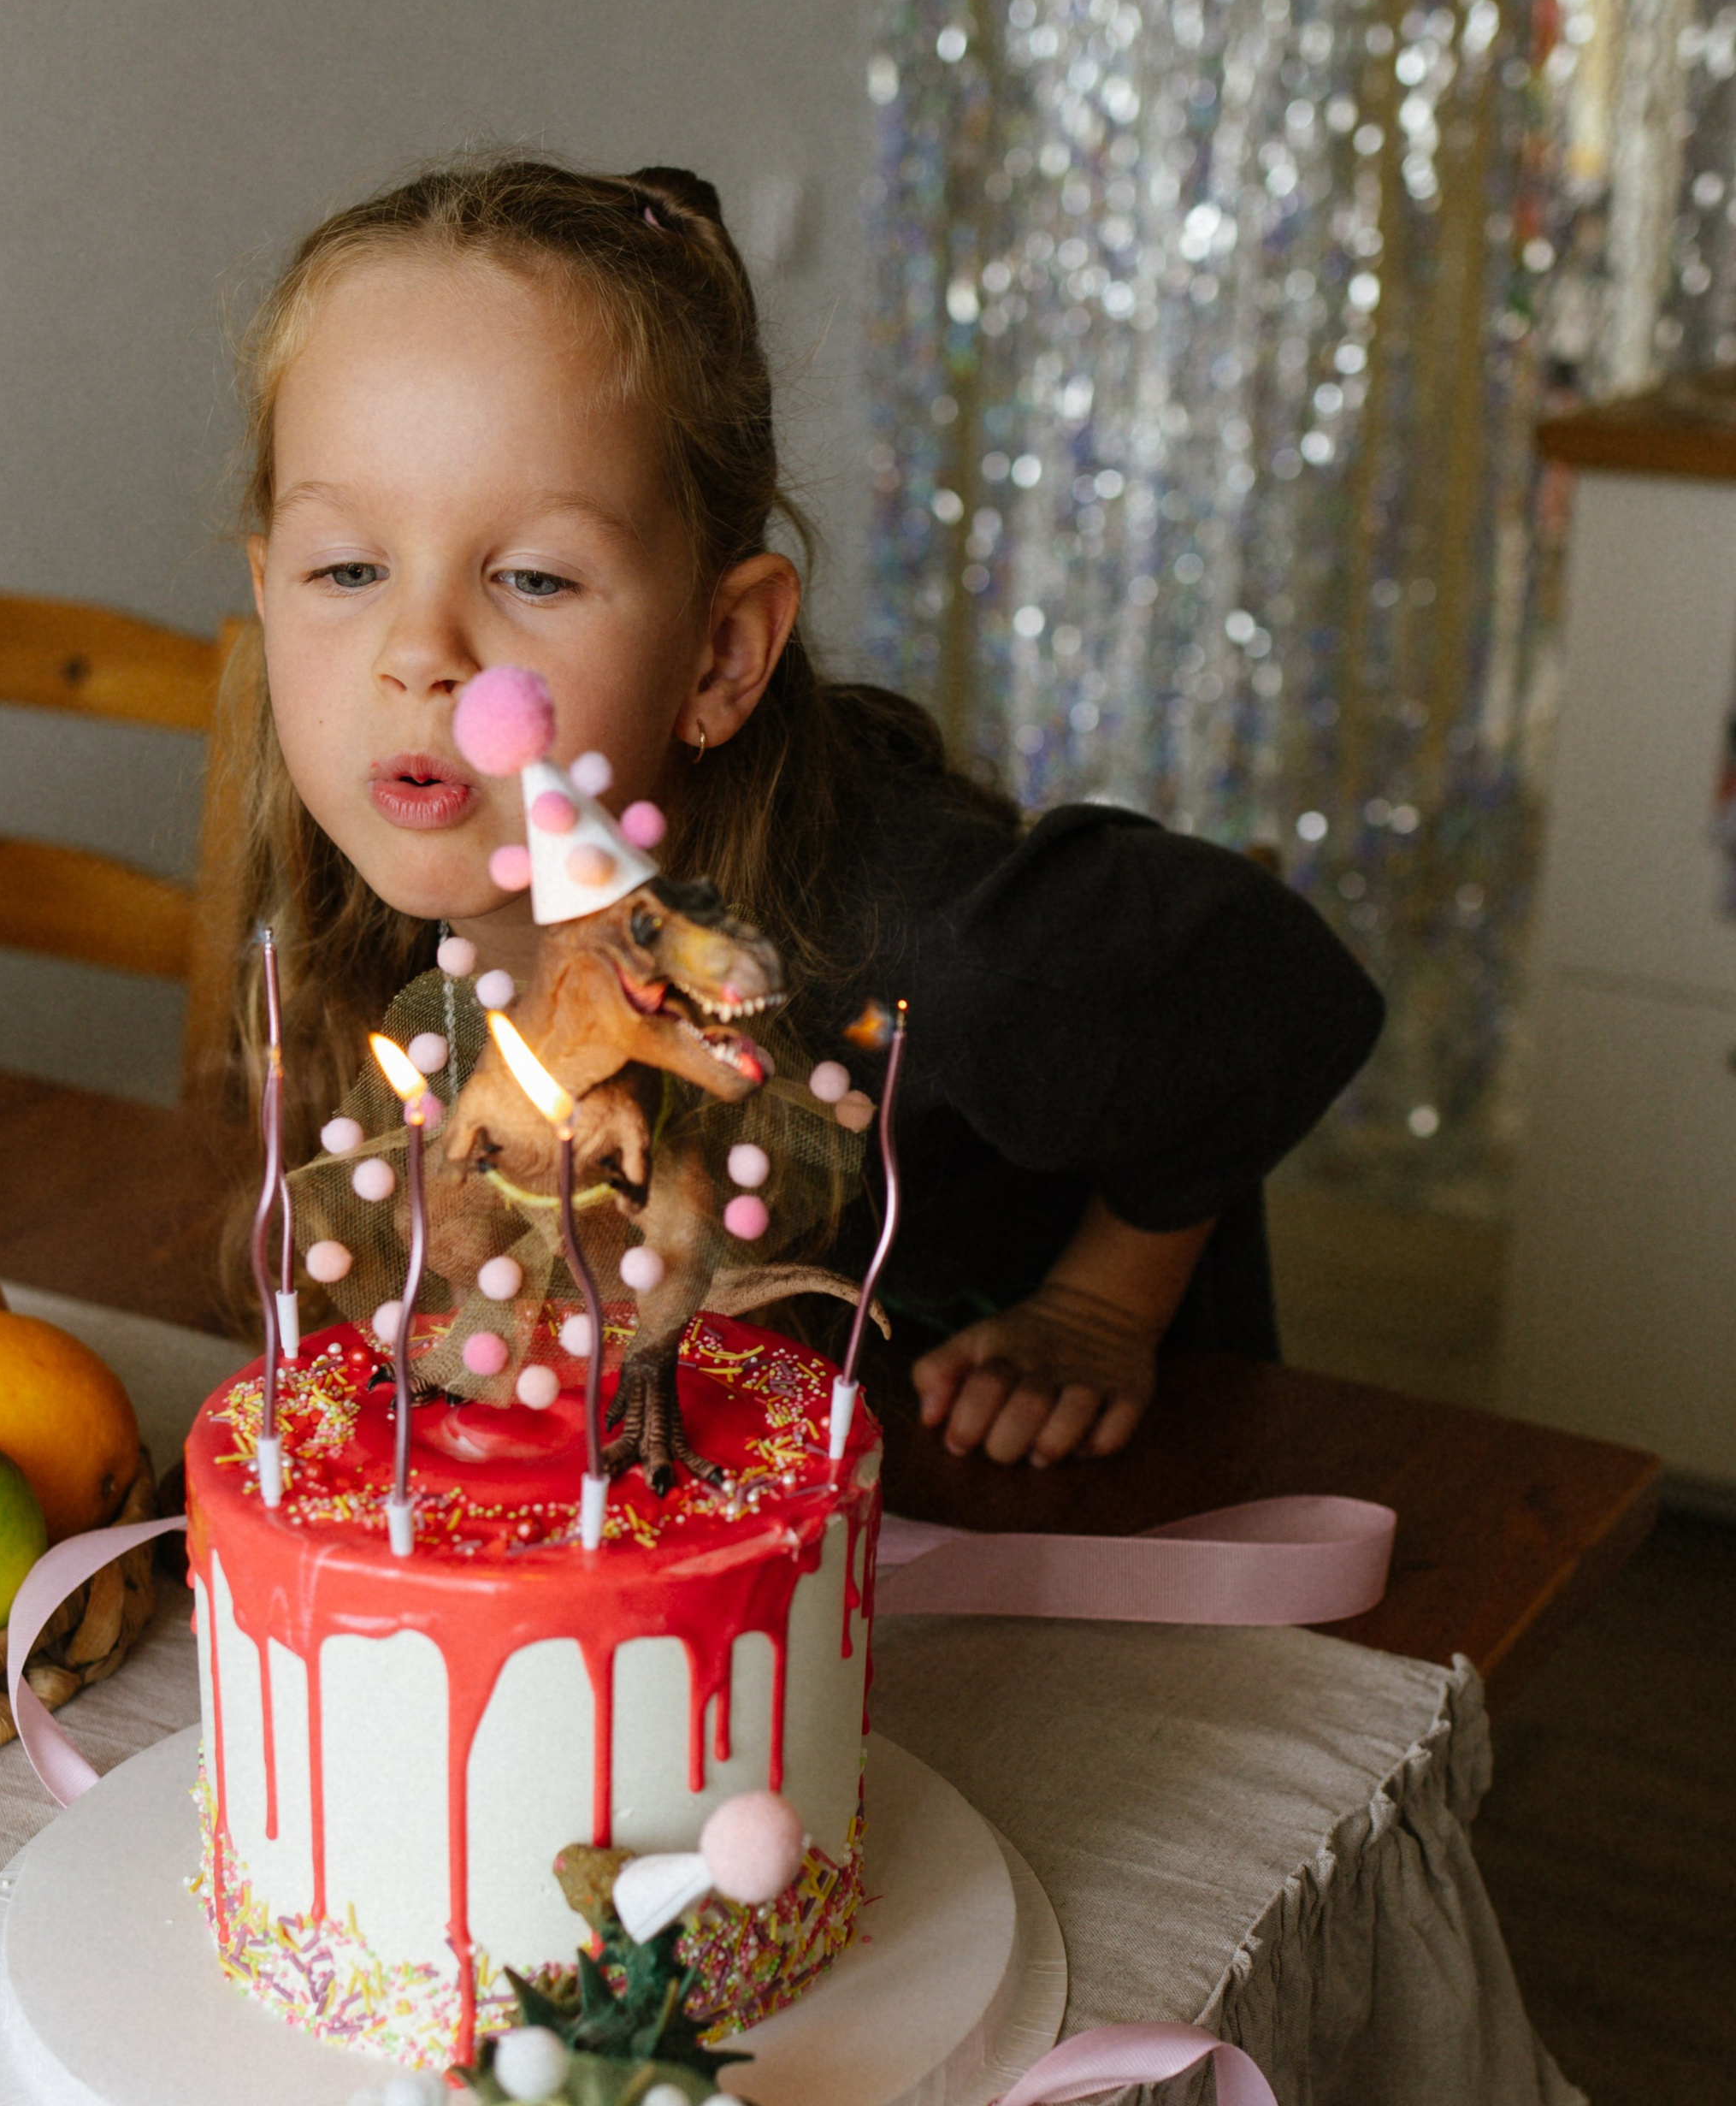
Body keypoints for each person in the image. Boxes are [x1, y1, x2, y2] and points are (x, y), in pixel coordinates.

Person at [226, 153, 1382, 1471]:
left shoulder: (929, 933)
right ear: (267, 595)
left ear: (721, 653)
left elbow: (1287, 999)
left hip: (1029, 1508)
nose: (417, 649)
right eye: (349, 568)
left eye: (536, 576)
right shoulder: (357, 907)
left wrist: (1099, 1304)